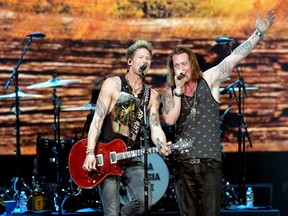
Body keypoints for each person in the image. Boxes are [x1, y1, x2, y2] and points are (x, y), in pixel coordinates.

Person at [161, 9, 276, 216]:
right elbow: (170, 119)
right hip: (183, 166)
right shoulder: (170, 92)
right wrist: (177, 89)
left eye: (184, 64)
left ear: (191, 64)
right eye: (176, 65)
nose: (181, 69)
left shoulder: (209, 78)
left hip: (209, 164)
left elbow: (233, 58)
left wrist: (257, 34)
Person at [82, 40, 171, 216]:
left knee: (144, 203)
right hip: (106, 155)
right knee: (111, 211)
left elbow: (155, 126)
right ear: (130, 61)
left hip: (132, 156)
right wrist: (90, 152)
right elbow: (97, 120)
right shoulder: (112, 84)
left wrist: (162, 143)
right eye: (140, 57)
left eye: (148, 58)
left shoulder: (152, 96)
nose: (144, 61)